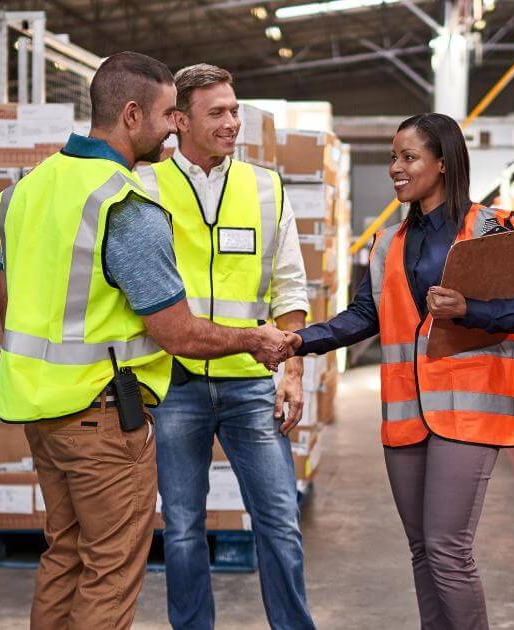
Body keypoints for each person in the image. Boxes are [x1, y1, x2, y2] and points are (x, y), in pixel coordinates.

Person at [0, 52, 293, 630]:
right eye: (166, 115)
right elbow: (176, 331)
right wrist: (253, 341)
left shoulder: (26, 189)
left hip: (39, 411)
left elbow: (8, 300)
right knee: (110, 570)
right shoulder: (124, 202)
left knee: (65, 556)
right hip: (102, 419)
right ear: (132, 115)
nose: (174, 127)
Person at [289, 113, 514, 630]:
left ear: (443, 163)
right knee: (423, 551)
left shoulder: (490, 227)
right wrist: (300, 340)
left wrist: (467, 310)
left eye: (408, 158)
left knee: (448, 549)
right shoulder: (389, 242)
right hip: (407, 415)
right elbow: (365, 316)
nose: (395, 169)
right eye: (393, 158)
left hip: (468, 413)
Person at [134, 63, 316, 630]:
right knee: (184, 529)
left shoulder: (265, 187)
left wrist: (292, 373)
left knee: (280, 521)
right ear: (180, 121)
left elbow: (290, 284)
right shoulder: (144, 186)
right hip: (175, 382)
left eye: (235, 110)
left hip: (250, 382)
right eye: (217, 112)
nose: (232, 122)